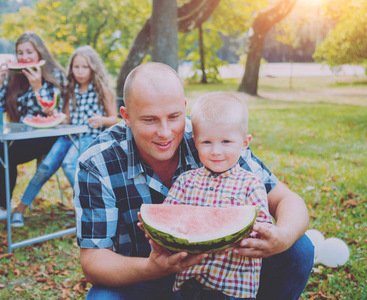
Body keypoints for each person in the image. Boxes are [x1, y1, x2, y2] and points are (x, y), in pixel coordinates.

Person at [74, 62, 314, 299]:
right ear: (126, 116)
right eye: (150, 120)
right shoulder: (98, 163)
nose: (165, 132)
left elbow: (288, 200)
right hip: (142, 275)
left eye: (174, 116)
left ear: (184, 107)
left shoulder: (211, 139)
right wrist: (152, 268)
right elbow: (94, 261)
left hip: (219, 275)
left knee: (299, 250)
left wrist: (283, 236)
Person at [163, 92, 273, 299]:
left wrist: (241, 233)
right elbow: (169, 217)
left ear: (244, 143)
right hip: (188, 284)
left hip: (232, 286)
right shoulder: (185, 182)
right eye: (206, 142)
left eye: (225, 142)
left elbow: (263, 226)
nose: (215, 151)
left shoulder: (251, 184)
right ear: (195, 142)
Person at [0, 32, 67, 222]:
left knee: (3, 151)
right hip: (19, 133)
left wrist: (38, 87)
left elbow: (54, 112)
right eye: (20, 53)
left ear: (40, 52)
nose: (24, 57)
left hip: (47, 135)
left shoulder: (55, 75)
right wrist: (0, 84)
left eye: (29, 52)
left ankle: (2, 206)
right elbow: (1, 107)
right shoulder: (16, 76)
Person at [11, 45, 118, 227]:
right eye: (76, 67)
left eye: (85, 67)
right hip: (68, 136)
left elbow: (115, 119)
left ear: (93, 68)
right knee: (44, 167)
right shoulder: (71, 90)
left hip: (89, 136)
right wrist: (52, 113)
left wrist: (102, 120)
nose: (80, 72)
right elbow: (65, 120)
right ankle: (20, 209)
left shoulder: (103, 90)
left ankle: (85, 209)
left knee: (69, 165)